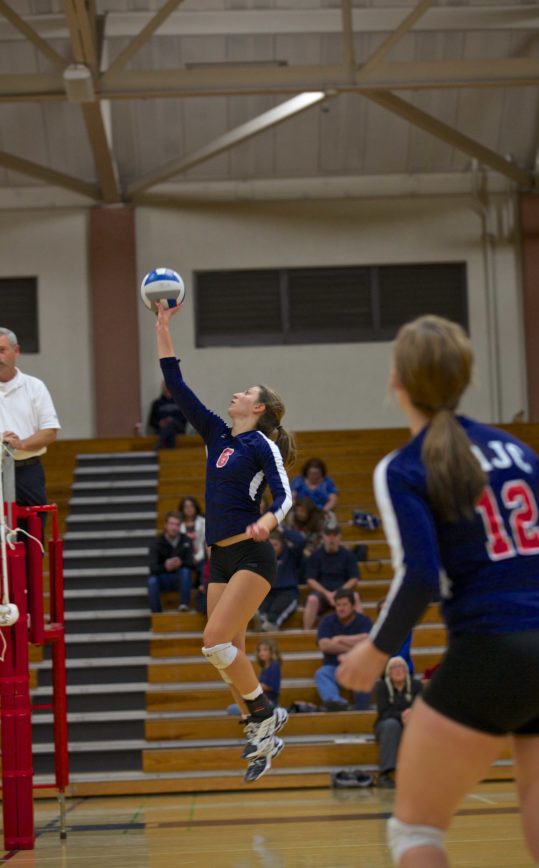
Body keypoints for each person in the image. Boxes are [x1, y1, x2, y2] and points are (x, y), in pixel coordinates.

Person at [336, 315, 539, 868]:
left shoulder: (404, 467)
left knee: (415, 832)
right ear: (466, 379)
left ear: (396, 382)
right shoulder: (517, 451)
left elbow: (421, 577)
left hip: (494, 646)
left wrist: (374, 649)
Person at [154, 301, 295, 784]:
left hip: (252, 555)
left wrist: (270, 521)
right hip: (219, 558)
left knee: (213, 641)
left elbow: (286, 493)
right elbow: (176, 385)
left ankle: (264, 714)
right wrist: (163, 327)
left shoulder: (261, 444)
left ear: (258, 408)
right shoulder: (217, 433)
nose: (235, 394)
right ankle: (261, 732)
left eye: (245, 392)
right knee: (225, 651)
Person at [0, 327, 60, 532]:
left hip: (27, 470)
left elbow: (50, 431)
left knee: (32, 532)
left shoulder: (34, 387)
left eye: (2, 350)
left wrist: (21, 444)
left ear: (16, 351)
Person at [315, 588, 372, 711]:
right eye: (338, 605)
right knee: (322, 673)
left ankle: (362, 711)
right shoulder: (327, 621)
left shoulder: (364, 621)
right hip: (334, 667)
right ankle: (337, 703)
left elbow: (368, 642)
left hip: (357, 667)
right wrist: (356, 645)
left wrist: (340, 638)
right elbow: (324, 646)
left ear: (353, 605)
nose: (341, 608)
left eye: (345, 604)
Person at [374, 656, 423, 789]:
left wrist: (412, 716)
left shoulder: (417, 685)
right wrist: (402, 715)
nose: (397, 669)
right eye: (393, 667)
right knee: (392, 725)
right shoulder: (381, 686)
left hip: (412, 724)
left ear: (406, 670)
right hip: (386, 725)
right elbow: (383, 712)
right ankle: (385, 774)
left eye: (400, 666)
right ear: (388, 672)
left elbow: (422, 708)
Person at [303, 526, 362, 630]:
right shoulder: (316, 556)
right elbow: (310, 579)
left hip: (342, 592)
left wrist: (338, 592)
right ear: (323, 537)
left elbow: (354, 578)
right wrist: (327, 594)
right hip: (322, 593)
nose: (332, 538)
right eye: (328, 535)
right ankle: (306, 633)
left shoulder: (348, 555)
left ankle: (360, 629)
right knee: (312, 600)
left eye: (335, 535)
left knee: (355, 597)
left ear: (340, 537)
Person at [147, 511, 195, 613]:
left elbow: (191, 563)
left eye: (177, 524)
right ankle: (157, 613)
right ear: (165, 525)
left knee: (185, 571)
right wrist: (165, 566)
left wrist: (180, 563)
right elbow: (152, 568)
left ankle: (184, 605)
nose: (174, 527)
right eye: (171, 524)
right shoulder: (156, 542)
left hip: (181, 578)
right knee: (152, 581)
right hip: (164, 579)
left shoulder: (186, 540)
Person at [258, 528, 305, 631]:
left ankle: (270, 625)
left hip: (287, 592)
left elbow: (300, 541)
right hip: (268, 592)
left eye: (275, 545)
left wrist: (283, 531)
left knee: (274, 612)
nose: (273, 548)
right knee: (261, 610)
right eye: (270, 545)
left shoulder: (290, 554)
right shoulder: (264, 557)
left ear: (282, 544)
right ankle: (263, 623)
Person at [147, 381, 187, 449]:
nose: (167, 389)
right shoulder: (156, 403)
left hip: (178, 429)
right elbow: (151, 421)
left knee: (172, 423)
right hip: (162, 429)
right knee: (170, 432)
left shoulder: (180, 402)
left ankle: (160, 442)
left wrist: (173, 420)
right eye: (165, 387)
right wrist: (159, 423)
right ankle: (170, 453)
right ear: (162, 388)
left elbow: (185, 419)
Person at [286, 496, 325, 560]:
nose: (298, 513)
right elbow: (289, 538)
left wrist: (309, 550)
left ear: (309, 511)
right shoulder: (293, 519)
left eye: (302, 511)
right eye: (297, 510)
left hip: (316, 552)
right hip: (298, 551)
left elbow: (321, 541)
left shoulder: (319, 522)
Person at [256, 638, 281, 707]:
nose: (261, 653)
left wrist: (254, 685)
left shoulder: (274, 665)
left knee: (234, 709)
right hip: (262, 701)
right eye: (259, 650)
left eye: (265, 650)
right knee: (233, 708)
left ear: (272, 651)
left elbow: (272, 686)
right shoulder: (263, 667)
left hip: (270, 703)